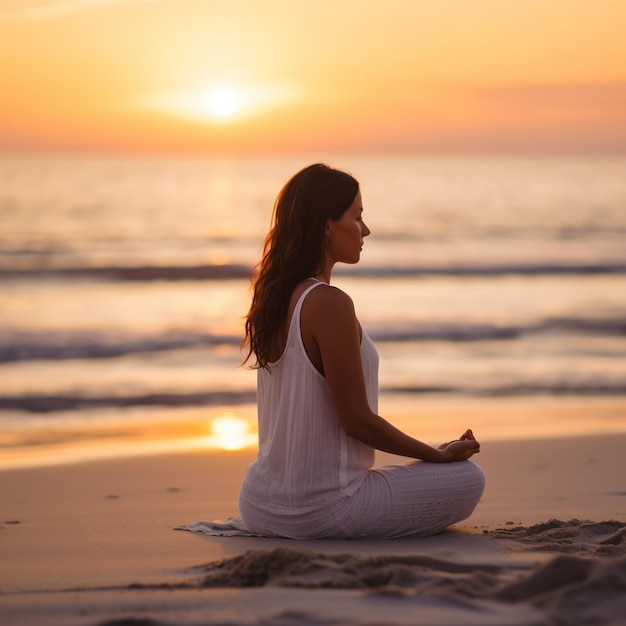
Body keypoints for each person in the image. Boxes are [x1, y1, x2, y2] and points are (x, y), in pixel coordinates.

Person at [211, 163, 484, 539]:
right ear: (327, 226)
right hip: (324, 510)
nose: (365, 229)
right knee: (468, 477)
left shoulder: (274, 299)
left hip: (259, 505)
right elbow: (357, 421)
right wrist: (437, 455)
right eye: (357, 217)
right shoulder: (329, 303)